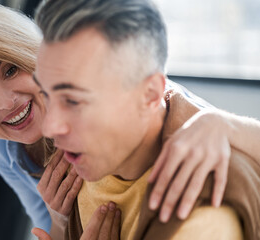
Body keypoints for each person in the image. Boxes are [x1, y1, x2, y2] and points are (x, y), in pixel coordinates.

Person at [0, 2, 260, 238]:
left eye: (11, 69)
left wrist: (219, 124)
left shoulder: (139, 99)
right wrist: (60, 219)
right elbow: (57, 230)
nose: (7, 102)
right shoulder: (2, 147)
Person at [33, 0, 260, 239]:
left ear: (150, 94)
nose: (49, 128)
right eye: (46, 95)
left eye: (73, 101)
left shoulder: (203, 221)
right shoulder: (83, 158)